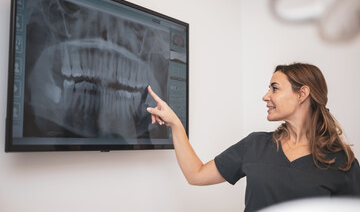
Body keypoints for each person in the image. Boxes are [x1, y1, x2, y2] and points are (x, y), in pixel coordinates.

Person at [146, 62, 360, 212]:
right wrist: (175, 124)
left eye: (274, 88)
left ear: (302, 94)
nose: (265, 96)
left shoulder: (341, 162)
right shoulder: (255, 145)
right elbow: (196, 174)